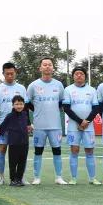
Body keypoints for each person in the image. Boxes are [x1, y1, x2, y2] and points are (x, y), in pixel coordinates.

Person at [27, 57, 66, 185]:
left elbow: (61, 102)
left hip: (55, 125)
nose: (47, 66)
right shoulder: (33, 85)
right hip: (39, 125)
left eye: (50, 64)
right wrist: (37, 109)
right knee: (38, 151)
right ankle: (36, 177)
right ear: (40, 68)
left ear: (53, 68)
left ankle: (59, 177)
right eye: (45, 65)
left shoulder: (59, 85)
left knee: (57, 151)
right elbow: (27, 103)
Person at [0, 62, 28, 185]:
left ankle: (20, 177)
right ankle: (1, 177)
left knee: (20, 152)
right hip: (3, 126)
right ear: (3, 74)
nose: (10, 76)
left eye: (12, 73)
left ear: (15, 72)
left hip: (18, 128)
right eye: (7, 74)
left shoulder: (21, 88)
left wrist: (28, 123)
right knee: (2, 150)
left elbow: (25, 107)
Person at [62, 67, 98, 185]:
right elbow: (66, 108)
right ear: (73, 76)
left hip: (88, 126)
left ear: (85, 76)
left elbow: (96, 108)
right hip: (74, 126)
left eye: (81, 74)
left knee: (89, 151)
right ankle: (73, 178)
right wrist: (80, 121)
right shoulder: (68, 89)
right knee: (74, 151)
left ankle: (92, 178)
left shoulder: (92, 90)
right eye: (76, 74)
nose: (79, 75)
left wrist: (87, 121)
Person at [0, 95, 32, 187]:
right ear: (13, 105)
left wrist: (30, 127)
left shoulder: (25, 114)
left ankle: (19, 179)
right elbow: (1, 128)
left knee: (22, 162)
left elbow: (28, 126)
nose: (19, 106)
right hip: (13, 143)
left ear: (24, 105)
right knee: (13, 162)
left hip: (25, 143)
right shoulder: (9, 116)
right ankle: (13, 180)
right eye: (17, 104)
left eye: (21, 104)